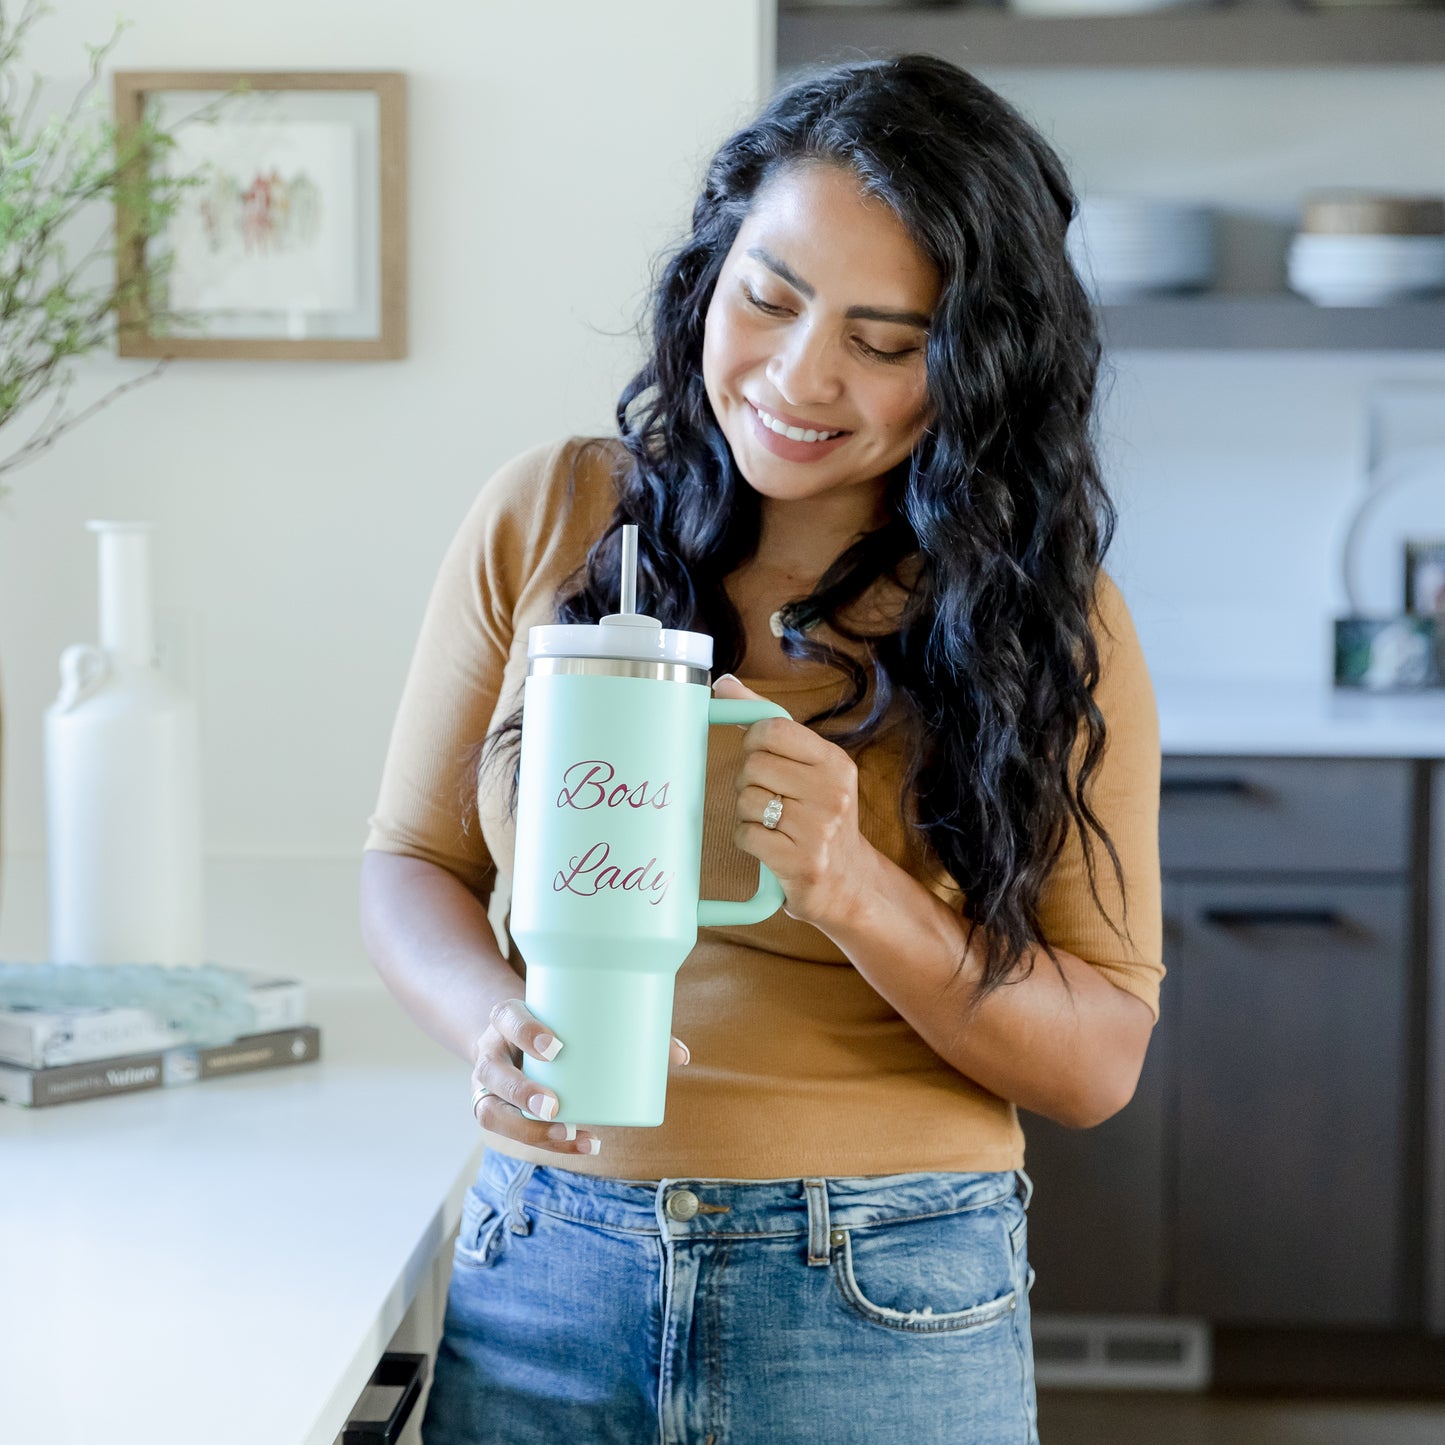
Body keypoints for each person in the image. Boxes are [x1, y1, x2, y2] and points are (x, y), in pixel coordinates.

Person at [360, 52, 1162, 1445]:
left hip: (881, 1290)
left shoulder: (1047, 620)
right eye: (770, 298)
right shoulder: (553, 516)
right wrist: (488, 1019)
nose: (799, 375)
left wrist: (855, 885)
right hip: (543, 1259)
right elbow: (409, 861)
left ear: (974, 361)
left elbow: (1095, 1060)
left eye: (885, 339)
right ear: (709, 276)